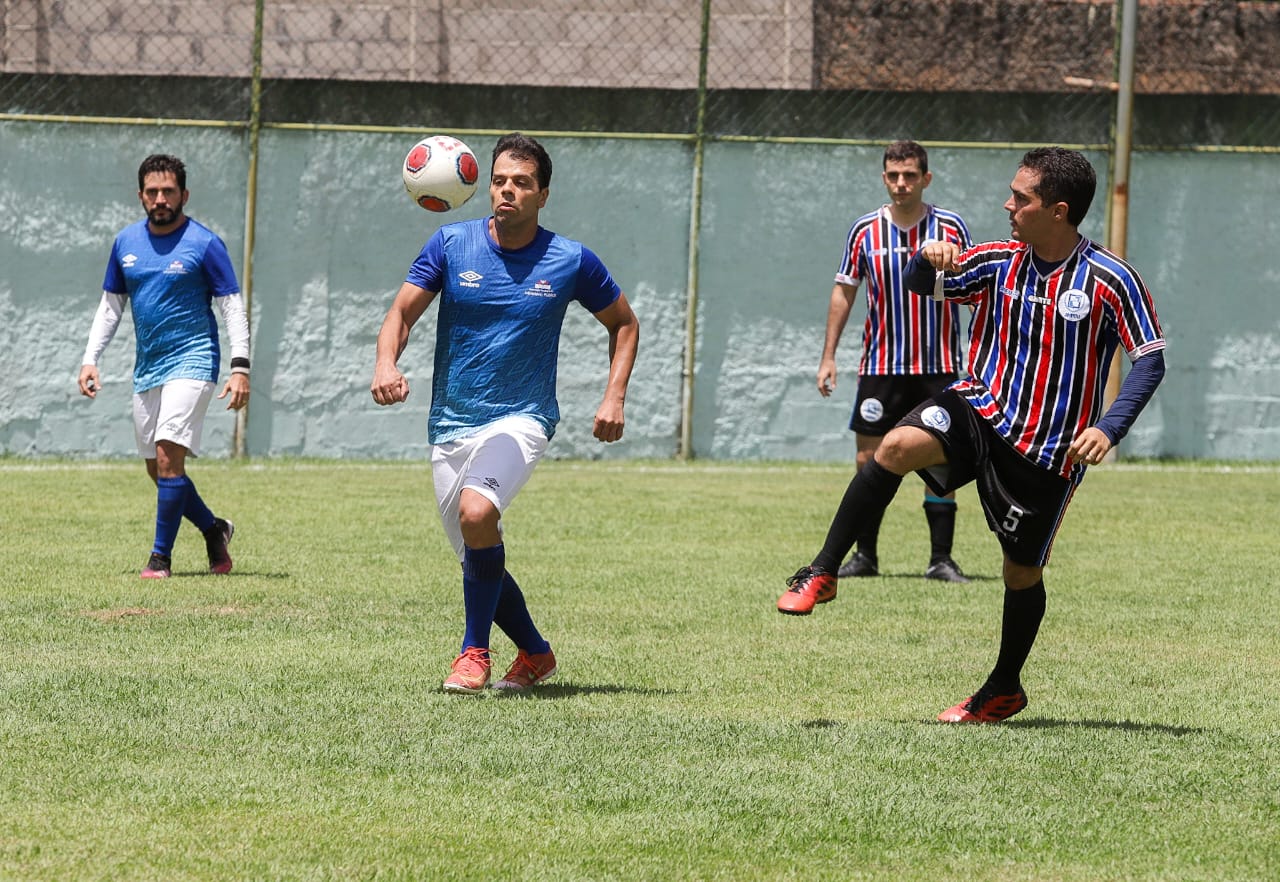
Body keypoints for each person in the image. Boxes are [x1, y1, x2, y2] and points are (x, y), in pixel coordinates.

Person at [780, 147, 1165, 722]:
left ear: (1058, 211)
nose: (1007, 205)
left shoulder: (1111, 278)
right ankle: (824, 569)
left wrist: (1109, 427)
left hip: (1045, 449)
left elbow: (1150, 359)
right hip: (978, 406)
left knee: (1021, 571)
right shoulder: (995, 260)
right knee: (895, 446)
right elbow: (922, 285)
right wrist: (925, 258)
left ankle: (1004, 689)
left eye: (1020, 198)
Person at [371, 132, 639, 695]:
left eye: (521, 182)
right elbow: (401, 313)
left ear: (543, 194)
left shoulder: (570, 260)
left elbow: (624, 323)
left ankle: (473, 654)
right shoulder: (450, 244)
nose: (507, 191)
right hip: (451, 421)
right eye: (499, 181)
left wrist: (614, 395)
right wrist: (386, 363)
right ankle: (537, 653)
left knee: (477, 515)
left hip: (522, 417)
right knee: (476, 551)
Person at [779, 141, 972, 617]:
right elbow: (844, 291)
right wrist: (828, 356)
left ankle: (941, 559)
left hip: (938, 365)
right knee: (869, 461)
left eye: (910, 175)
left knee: (942, 461)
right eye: (893, 175)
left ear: (926, 178)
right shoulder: (865, 230)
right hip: (881, 366)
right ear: (884, 178)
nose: (901, 183)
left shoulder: (950, 227)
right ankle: (864, 556)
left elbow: (973, 287)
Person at [79, 154, 249, 580]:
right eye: (152, 192)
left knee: (168, 454)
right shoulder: (125, 243)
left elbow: (232, 307)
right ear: (140, 195)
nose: (160, 199)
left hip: (194, 360)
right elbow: (110, 307)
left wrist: (240, 367)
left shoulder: (205, 243)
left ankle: (160, 559)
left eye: (168, 191)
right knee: (158, 470)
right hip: (149, 367)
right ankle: (214, 529)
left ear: (184, 195)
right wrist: (90, 359)